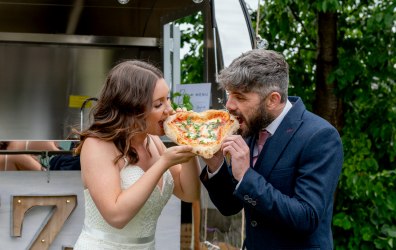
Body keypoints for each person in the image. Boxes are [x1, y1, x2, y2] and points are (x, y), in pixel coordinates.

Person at [200, 49, 343, 249]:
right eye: (229, 95)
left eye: (240, 97)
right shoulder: (250, 127)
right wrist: (216, 164)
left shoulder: (320, 137)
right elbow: (230, 206)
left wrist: (246, 176)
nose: (229, 105)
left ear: (272, 100)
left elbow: (307, 217)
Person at [73, 60, 200, 250]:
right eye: (159, 104)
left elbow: (190, 193)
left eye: (168, 99)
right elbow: (116, 216)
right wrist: (163, 163)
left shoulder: (153, 141)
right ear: (132, 108)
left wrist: (188, 142)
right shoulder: (97, 145)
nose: (170, 110)